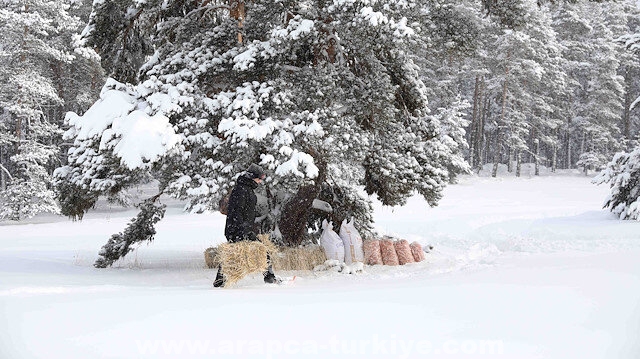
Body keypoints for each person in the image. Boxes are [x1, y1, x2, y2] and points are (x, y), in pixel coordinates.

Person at [214, 163, 279, 287]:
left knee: (234, 254)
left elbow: (246, 211)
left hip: (242, 228)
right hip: (237, 229)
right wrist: (242, 229)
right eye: (259, 178)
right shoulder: (241, 190)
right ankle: (270, 278)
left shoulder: (246, 189)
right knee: (261, 249)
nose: (260, 181)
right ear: (252, 177)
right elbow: (236, 212)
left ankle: (219, 280)